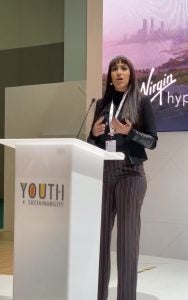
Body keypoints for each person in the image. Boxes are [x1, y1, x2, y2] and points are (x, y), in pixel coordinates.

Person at [87, 55, 158, 300]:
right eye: (114, 68)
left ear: (130, 74)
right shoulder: (101, 105)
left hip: (131, 173)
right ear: (109, 76)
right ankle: (98, 296)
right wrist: (93, 136)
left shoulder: (141, 101)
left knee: (127, 241)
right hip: (104, 173)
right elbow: (92, 143)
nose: (119, 72)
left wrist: (131, 132)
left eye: (123, 68)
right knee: (100, 240)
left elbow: (153, 141)